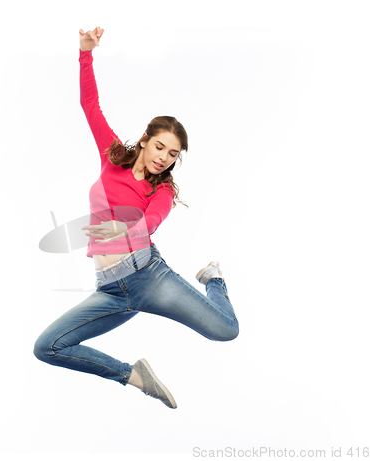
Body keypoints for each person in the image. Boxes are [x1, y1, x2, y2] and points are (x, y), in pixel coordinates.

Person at [33, 27, 239, 409]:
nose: (164, 157)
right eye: (160, 146)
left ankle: (214, 278)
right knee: (48, 347)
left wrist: (123, 229)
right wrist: (85, 53)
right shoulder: (112, 157)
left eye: (173, 153)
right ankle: (133, 375)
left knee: (226, 330)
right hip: (110, 289)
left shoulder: (161, 191)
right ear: (145, 139)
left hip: (147, 277)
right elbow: (90, 106)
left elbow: (151, 223)